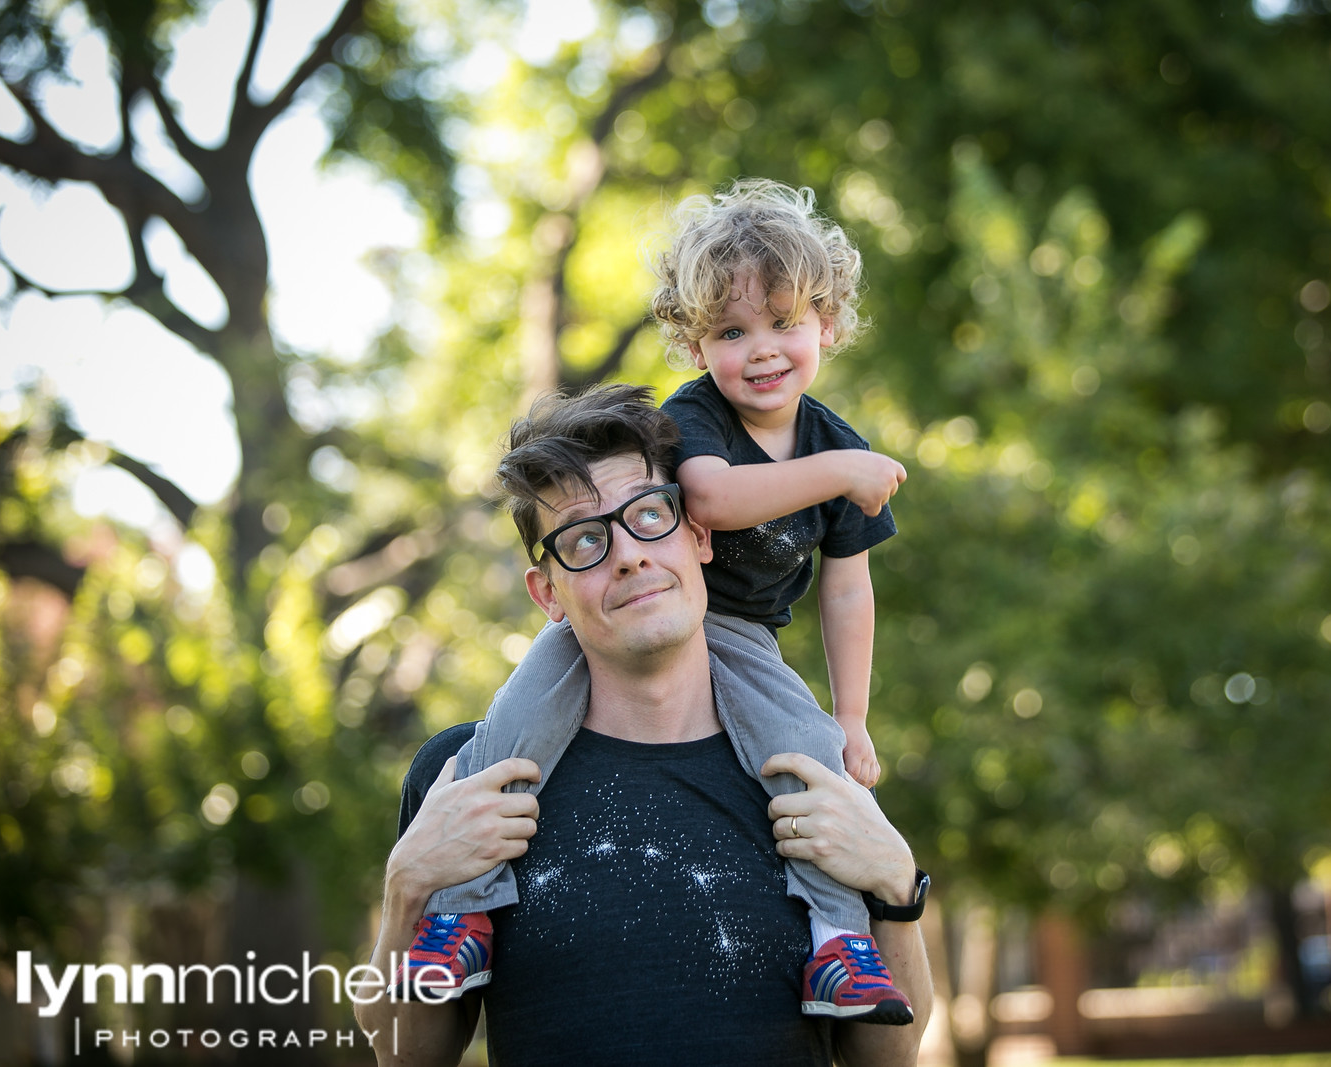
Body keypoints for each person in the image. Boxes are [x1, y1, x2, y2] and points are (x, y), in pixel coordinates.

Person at [404, 180, 913, 1020]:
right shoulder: (700, 420)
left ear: (828, 324)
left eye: (785, 321)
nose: (761, 350)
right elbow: (709, 498)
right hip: (627, 618)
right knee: (512, 728)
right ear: (694, 343)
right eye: (730, 331)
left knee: (807, 756)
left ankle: (838, 941)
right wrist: (840, 477)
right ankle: (462, 920)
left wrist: (854, 716)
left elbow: (848, 591)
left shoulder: (837, 445)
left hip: (740, 633)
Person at [355, 386, 932, 1065]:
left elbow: (884, 1058)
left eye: (649, 515)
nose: (628, 553)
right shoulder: (470, 777)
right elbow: (407, 1057)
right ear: (549, 593)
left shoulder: (809, 773)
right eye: (584, 539)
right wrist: (405, 892)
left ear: (698, 536)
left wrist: (897, 887)